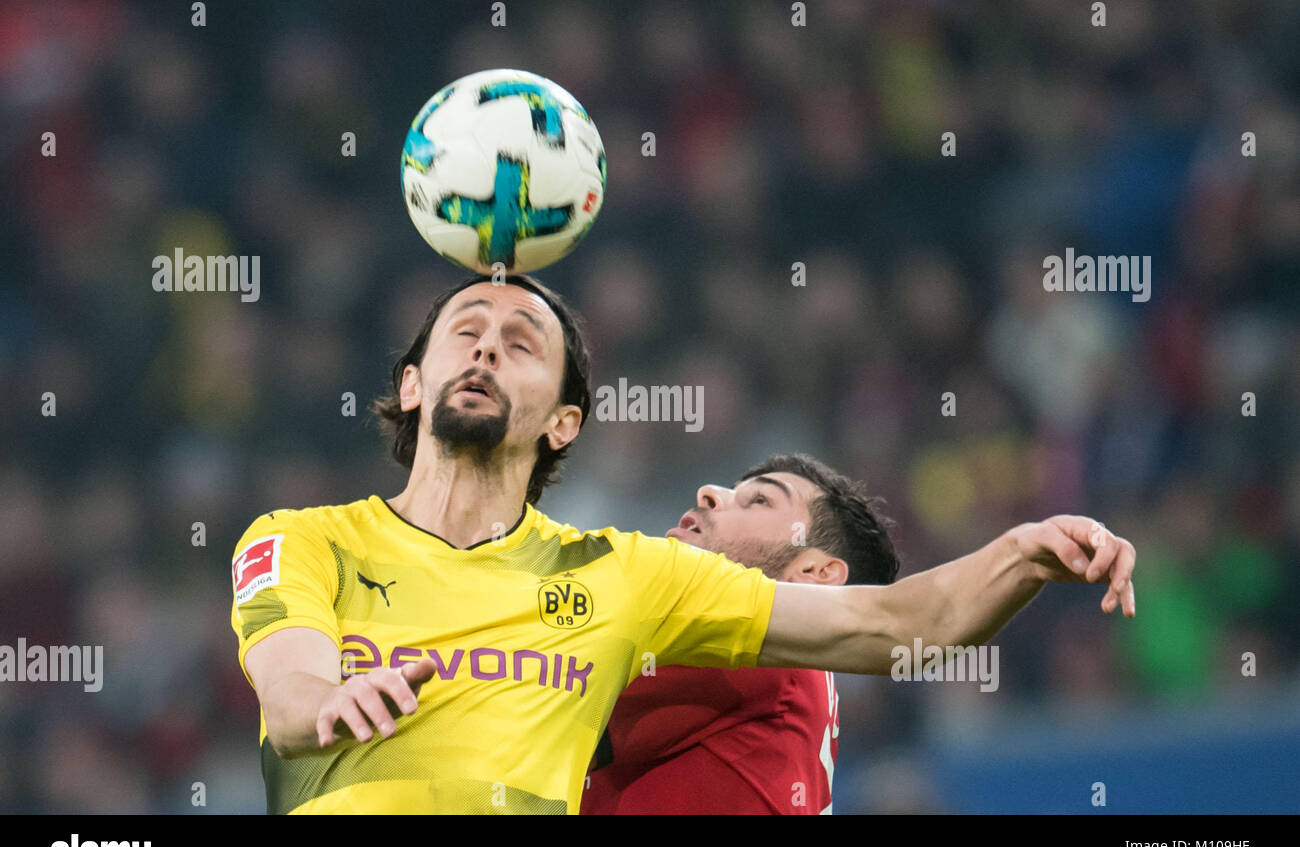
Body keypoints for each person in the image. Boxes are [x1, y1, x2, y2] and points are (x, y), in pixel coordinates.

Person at [229, 273, 1137, 814]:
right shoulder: (302, 539)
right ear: (413, 383)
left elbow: (907, 622)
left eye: (521, 342)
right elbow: (290, 689)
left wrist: (1022, 551)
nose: (487, 349)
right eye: (464, 331)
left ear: (563, 421)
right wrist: (328, 704)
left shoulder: (628, 577)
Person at [582, 453, 899, 815]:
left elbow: (537, 711)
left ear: (815, 572)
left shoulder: (750, 640)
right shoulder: (794, 669)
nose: (709, 493)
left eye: (760, 500)